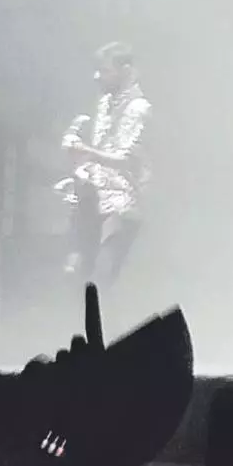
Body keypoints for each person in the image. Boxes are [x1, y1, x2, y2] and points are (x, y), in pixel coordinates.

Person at [57, 42, 150, 286]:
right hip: (94, 200)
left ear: (126, 71)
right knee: (75, 272)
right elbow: (102, 151)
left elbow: (125, 161)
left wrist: (86, 152)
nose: (97, 76)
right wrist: (80, 169)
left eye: (105, 70)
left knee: (102, 278)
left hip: (122, 204)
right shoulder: (105, 102)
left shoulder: (138, 109)